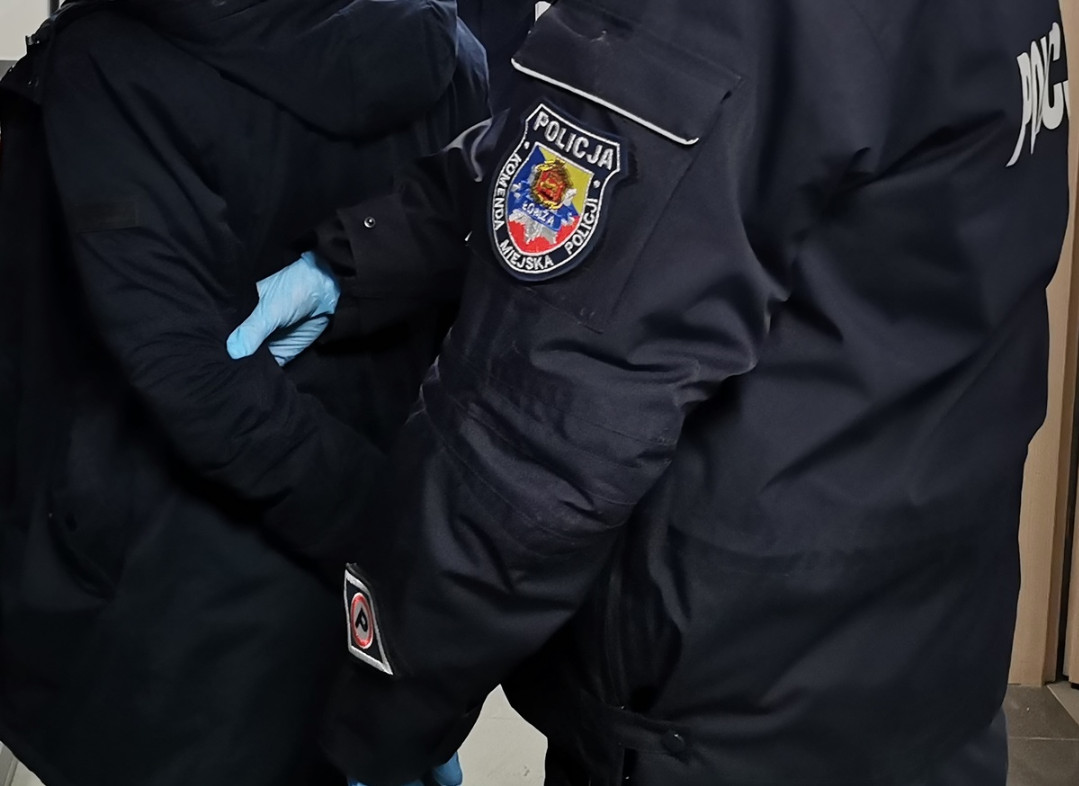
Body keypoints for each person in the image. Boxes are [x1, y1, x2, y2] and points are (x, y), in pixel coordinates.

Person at [232, 0, 1072, 784]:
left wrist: (390, 709)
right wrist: (365, 252)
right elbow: (659, 155)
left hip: (723, 714)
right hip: (920, 657)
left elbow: (541, 428)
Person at [0, 1, 487, 785]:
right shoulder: (449, 47)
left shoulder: (113, 61)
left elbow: (195, 379)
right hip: (362, 594)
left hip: (171, 602)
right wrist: (402, 540)